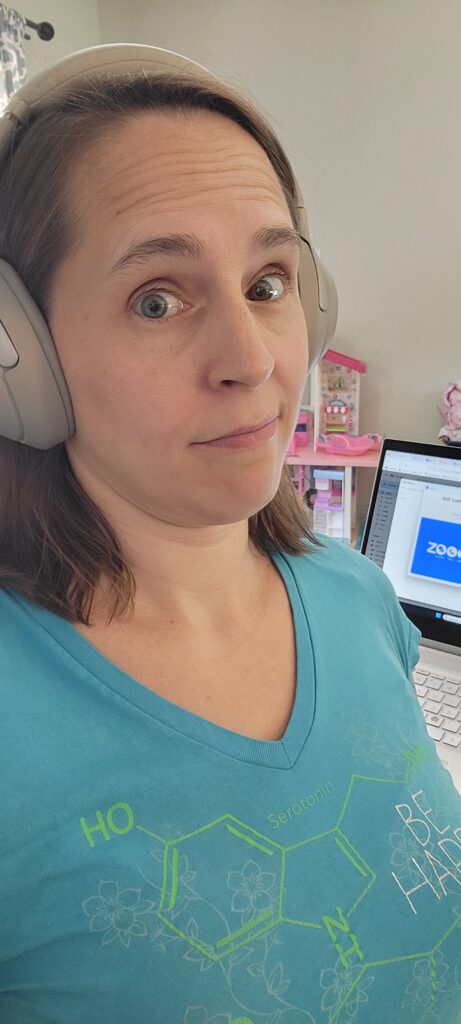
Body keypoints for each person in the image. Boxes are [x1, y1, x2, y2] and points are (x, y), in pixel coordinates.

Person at [0, 43, 460, 1024]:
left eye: (267, 282)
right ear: (19, 355)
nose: (251, 361)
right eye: (156, 298)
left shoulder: (355, 596)